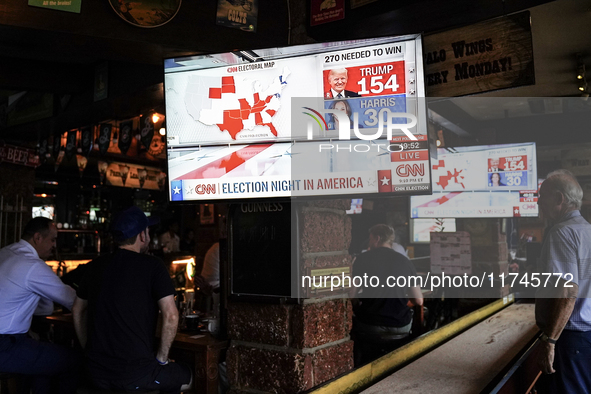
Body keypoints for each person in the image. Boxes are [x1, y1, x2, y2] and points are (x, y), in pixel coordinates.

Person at [72, 207, 192, 394]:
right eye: (148, 230)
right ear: (142, 236)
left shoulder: (95, 266)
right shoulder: (153, 265)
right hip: (136, 376)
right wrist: (161, 360)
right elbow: (171, 316)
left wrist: (88, 351)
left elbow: (78, 310)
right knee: (191, 376)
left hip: (95, 373)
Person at [0, 217, 79, 394]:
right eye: (52, 239)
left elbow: (43, 308)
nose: (54, 245)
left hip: (8, 341)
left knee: (45, 359)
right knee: (74, 361)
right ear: (37, 238)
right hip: (4, 346)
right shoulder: (32, 265)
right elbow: (72, 299)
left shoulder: (5, 252)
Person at [534, 171, 591, 393]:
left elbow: (568, 290)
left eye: (542, 195)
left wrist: (550, 341)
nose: (538, 201)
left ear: (559, 199)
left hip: (571, 341)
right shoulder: (587, 230)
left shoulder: (561, 232)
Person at [351, 224, 423, 365]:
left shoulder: (363, 259)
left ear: (377, 238)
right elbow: (419, 301)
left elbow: (351, 294)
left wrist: (358, 304)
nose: (369, 242)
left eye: (370, 239)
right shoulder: (405, 261)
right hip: (401, 326)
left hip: (370, 326)